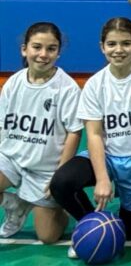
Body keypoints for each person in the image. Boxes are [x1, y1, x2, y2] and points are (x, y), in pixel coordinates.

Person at [50, 18, 131, 253]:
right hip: (109, 157)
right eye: (112, 44)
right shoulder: (95, 84)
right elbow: (93, 134)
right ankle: (89, 228)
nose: (118, 50)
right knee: (61, 183)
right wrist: (102, 179)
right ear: (102, 47)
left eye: (125, 43)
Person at [0, 22, 82, 243]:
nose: (43, 54)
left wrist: (59, 176)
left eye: (51, 49)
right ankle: (15, 205)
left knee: (48, 237)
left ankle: (51, 207)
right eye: (37, 47)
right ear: (24, 49)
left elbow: (74, 132)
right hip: (11, 158)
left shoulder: (67, 88)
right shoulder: (13, 83)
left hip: (45, 169)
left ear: (58, 52)